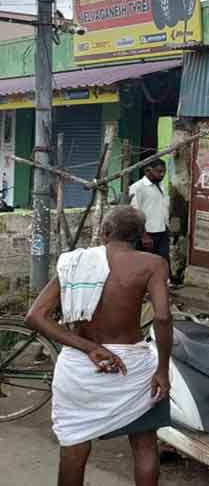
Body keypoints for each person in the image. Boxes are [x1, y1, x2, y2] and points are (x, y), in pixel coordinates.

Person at [25, 206, 173, 486]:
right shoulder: (153, 264)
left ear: (105, 233)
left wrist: (88, 347)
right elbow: (163, 318)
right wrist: (162, 371)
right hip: (132, 368)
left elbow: (35, 316)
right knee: (144, 445)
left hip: (79, 368)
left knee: (74, 446)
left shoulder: (75, 263)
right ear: (141, 236)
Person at [129, 159, 170, 266]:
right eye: (159, 171)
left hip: (162, 230)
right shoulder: (138, 188)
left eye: (164, 172)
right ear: (148, 171)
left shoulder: (161, 185)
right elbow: (135, 213)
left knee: (163, 263)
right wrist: (143, 235)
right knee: (146, 265)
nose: (162, 175)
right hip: (148, 234)